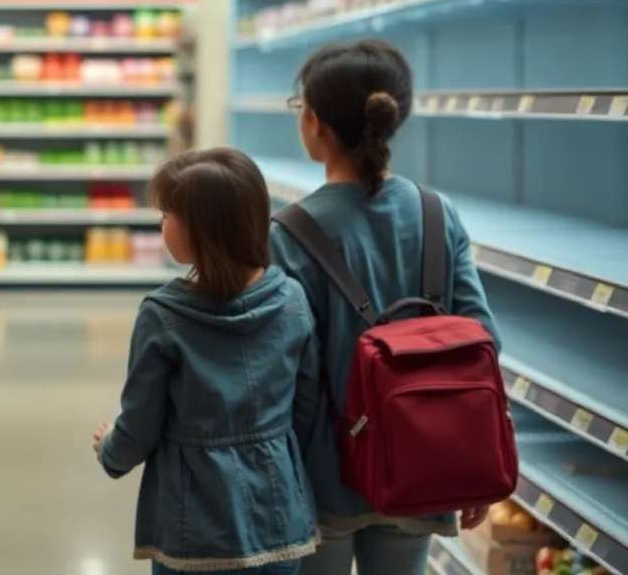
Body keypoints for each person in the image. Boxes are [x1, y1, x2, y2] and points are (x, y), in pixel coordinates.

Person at [268, 40, 502, 575]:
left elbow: (283, 368)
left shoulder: (289, 233)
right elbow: (482, 336)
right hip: (426, 459)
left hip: (321, 475)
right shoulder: (437, 213)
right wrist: (474, 456)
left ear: (315, 123)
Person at [92, 147, 321, 575]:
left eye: (167, 214)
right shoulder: (292, 299)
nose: (161, 223)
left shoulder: (163, 316)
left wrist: (111, 451)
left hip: (192, 530)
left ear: (200, 230)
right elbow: (306, 406)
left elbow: (141, 422)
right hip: (279, 520)